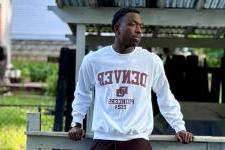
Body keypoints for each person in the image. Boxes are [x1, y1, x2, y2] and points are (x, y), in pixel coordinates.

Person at [68, 8, 194, 150]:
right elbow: (82, 93)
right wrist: (77, 123)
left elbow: (165, 97)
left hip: (137, 142)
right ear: (117, 28)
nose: (139, 30)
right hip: (103, 140)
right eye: (133, 24)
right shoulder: (93, 60)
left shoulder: (151, 61)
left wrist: (179, 127)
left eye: (141, 26)